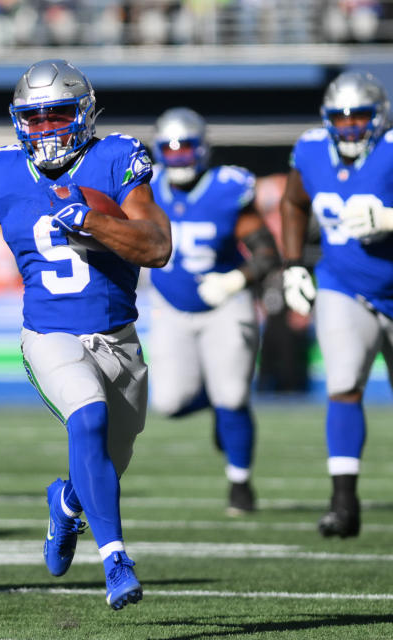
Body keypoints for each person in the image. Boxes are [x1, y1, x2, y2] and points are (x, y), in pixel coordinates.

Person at [0, 59, 171, 610]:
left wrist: (93, 221)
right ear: (17, 122)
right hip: (48, 333)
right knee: (89, 417)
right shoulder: (6, 171)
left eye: (57, 115)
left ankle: (67, 506)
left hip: (119, 340)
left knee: (106, 458)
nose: (46, 129)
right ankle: (115, 560)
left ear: (84, 113)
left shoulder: (115, 159)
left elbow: (157, 246)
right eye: (33, 118)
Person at [147, 107, 280, 515]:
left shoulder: (227, 188)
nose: (178, 157)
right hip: (169, 306)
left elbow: (266, 254)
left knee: (235, 396)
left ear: (202, 150)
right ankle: (214, 402)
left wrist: (235, 280)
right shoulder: (145, 187)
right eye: (169, 148)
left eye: (186, 148)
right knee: (167, 403)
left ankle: (240, 485)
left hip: (225, 304)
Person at [280, 70, 393, 539]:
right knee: (344, 383)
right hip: (342, 283)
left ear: (379, 116)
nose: (348, 128)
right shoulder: (309, 150)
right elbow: (292, 202)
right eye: (339, 119)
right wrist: (292, 264)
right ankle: (343, 502)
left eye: (359, 118)